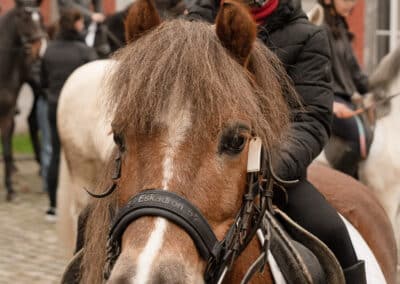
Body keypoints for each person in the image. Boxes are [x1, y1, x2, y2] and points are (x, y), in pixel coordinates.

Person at [187, 0, 366, 282]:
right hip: (189, 168)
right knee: (104, 219)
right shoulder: (190, 28)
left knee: (332, 232)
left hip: (272, 173)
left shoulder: (308, 37)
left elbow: (311, 120)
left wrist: (268, 169)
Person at [41, 8, 97, 221]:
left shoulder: (49, 51)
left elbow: (43, 82)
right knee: (81, 157)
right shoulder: (84, 51)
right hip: (80, 111)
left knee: (56, 153)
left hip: (54, 105)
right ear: (75, 24)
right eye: (81, 23)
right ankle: (84, 206)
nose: (83, 27)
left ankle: (53, 206)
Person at [318, 0, 370, 178]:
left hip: (346, 99)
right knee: (359, 137)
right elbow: (317, 73)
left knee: (370, 134)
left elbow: (356, 73)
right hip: (330, 99)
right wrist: (330, 102)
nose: (352, 3)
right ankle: (344, 184)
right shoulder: (321, 29)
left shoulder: (341, 28)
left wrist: (373, 90)